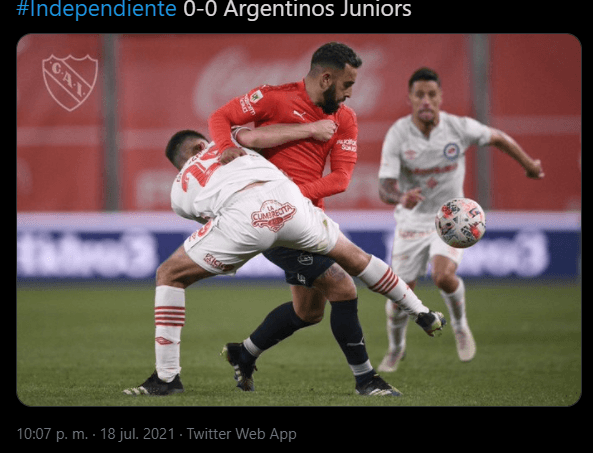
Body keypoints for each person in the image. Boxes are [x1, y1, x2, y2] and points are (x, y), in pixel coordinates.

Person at [123, 130, 445, 397]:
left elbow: (210, 217)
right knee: (352, 269)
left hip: (248, 219)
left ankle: (173, 375)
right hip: (291, 201)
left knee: (171, 274)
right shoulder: (237, 139)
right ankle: (416, 319)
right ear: (200, 144)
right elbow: (264, 140)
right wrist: (313, 129)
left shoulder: (179, 187)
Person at [207, 42, 393, 394]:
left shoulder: (344, 119)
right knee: (343, 287)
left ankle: (243, 353)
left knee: (308, 311)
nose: (350, 93)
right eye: (347, 85)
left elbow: (340, 179)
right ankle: (366, 380)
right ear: (326, 78)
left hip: (308, 220)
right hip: (271, 219)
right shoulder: (273, 98)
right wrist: (226, 147)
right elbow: (220, 117)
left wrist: (294, 197)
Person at [376, 67, 544, 372]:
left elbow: (498, 137)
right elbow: (384, 187)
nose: (426, 101)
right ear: (410, 98)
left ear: (440, 97)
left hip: (451, 219)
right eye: (419, 95)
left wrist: (529, 164)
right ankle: (396, 348)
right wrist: (400, 196)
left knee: (443, 276)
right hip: (412, 221)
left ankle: (459, 325)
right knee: (400, 295)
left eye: (431, 94)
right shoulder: (398, 134)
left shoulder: (458, 127)